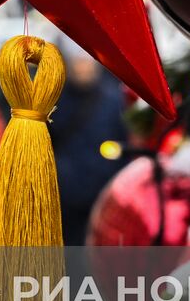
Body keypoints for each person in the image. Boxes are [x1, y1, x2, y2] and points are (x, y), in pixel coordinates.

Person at [49, 44, 131, 247]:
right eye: (78, 63)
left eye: (86, 63)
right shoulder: (53, 99)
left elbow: (123, 144)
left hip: (101, 193)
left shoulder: (113, 100)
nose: (83, 68)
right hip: (64, 197)